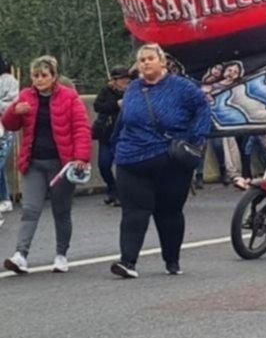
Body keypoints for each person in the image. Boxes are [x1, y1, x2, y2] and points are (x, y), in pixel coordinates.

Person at [109, 44, 212, 278]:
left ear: (162, 62)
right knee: (134, 212)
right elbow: (123, 120)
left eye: (150, 59)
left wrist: (197, 140)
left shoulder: (183, 88)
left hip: (170, 160)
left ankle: (172, 260)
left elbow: (203, 109)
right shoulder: (134, 88)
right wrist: (116, 146)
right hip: (131, 159)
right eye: (142, 60)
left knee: (169, 213)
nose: (145, 63)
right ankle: (128, 262)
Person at [1, 56, 92, 275]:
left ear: (53, 77)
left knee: (61, 211)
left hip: (61, 163)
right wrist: (14, 112)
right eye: (35, 76)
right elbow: (8, 124)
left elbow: (81, 127)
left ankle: (61, 254)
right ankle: (20, 254)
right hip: (34, 162)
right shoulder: (25, 96)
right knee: (30, 209)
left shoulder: (69, 98)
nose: (39, 80)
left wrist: (81, 156)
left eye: (44, 75)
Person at [93, 66, 133, 206]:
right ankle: (112, 188)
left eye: (127, 79)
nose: (126, 81)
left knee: (123, 167)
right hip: (107, 134)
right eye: (122, 79)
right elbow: (98, 106)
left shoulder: (133, 92)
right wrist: (116, 104)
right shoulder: (106, 91)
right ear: (115, 81)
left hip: (124, 136)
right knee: (104, 165)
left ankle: (121, 194)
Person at [0, 53, 19, 216]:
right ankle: (4, 198)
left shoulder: (9, 80)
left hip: (5, 128)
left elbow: (12, 104)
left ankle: (5, 199)